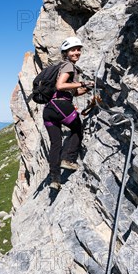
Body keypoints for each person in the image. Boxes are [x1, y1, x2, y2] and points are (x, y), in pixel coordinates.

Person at [43, 36, 93, 190]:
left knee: (55, 144)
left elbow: (73, 92)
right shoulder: (68, 66)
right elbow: (60, 86)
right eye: (73, 50)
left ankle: (55, 180)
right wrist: (83, 82)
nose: (77, 52)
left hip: (49, 110)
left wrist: (87, 88)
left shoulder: (61, 67)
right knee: (77, 128)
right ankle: (68, 159)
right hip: (61, 105)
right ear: (66, 52)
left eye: (78, 49)